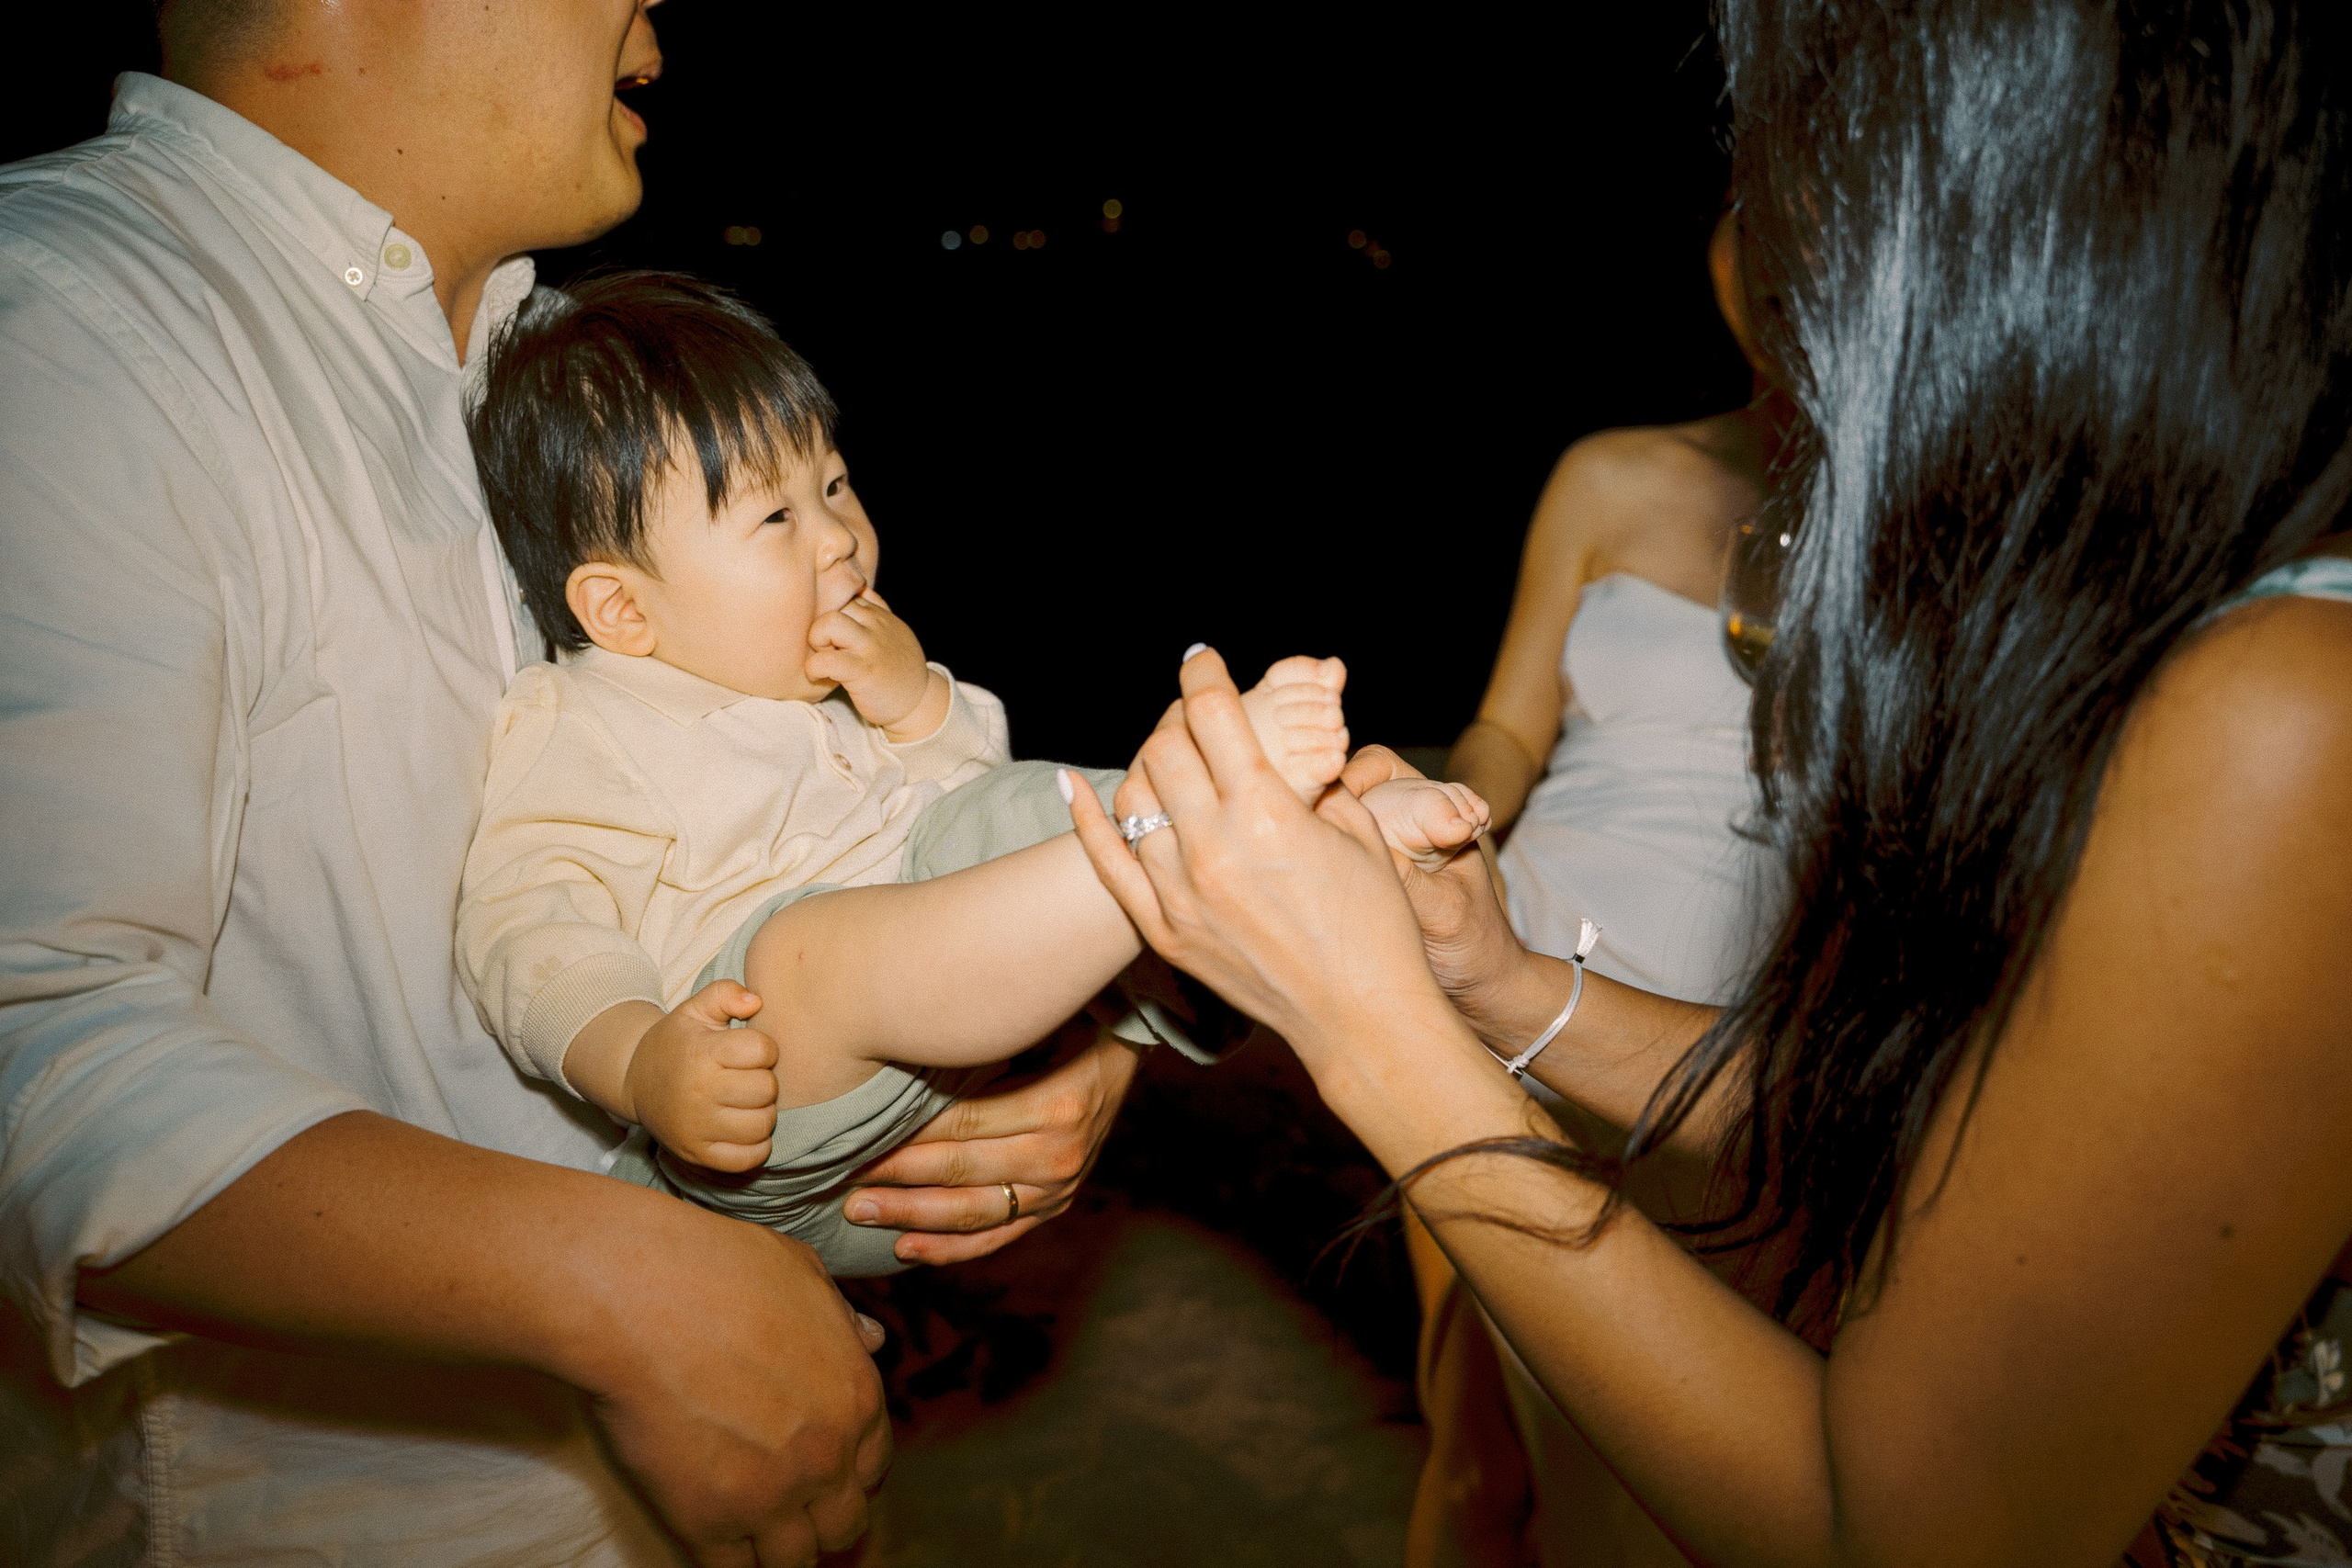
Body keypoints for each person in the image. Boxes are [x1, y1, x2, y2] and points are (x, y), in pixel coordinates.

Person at [1065, 2, 2352, 1563]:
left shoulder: (2289, 714)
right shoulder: (2176, 616)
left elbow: (1898, 1527)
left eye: (1809, 192)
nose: (1776, 283)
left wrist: (1370, 1025)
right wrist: (1492, 973)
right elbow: (1950, 1133)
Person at [0, 5, 1139, 1562]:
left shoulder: (552, 365)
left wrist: (1033, 1012)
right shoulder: (65, 320)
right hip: (342, 1519)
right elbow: (33, 1038)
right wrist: (630, 1287)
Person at [455, 270, 1478, 1272]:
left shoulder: (830, 676)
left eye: (835, 485)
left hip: (956, 1040)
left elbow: (969, 805)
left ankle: (1287, 839)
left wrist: (915, 705)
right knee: (804, 955)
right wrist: (637, 1062)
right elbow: (529, 931)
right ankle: (1202, 830)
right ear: (621, 611)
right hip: (779, 1105)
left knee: (1019, 804)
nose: (840, 540)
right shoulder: (584, 721)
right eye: (776, 519)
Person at [1412, 207, 1796, 1566]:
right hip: (1529, 932)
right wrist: (1453, 811)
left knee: (1664, 1464)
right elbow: (1512, 722)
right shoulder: (1610, 473)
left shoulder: (1932, 516)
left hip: (1729, 1017)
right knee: (1480, 1428)